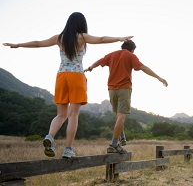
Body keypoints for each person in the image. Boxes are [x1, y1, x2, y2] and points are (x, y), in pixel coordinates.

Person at [3, 12, 133, 158]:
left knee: (61, 114)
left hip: (61, 76)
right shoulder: (82, 37)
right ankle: (68, 149)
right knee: (73, 115)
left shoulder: (59, 38)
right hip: (76, 76)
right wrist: (119, 38)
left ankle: (50, 137)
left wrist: (18, 45)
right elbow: (101, 39)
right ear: (81, 24)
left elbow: (38, 43)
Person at [84, 40, 168, 154]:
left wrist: (90, 68)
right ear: (132, 49)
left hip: (111, 89)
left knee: (118, 115)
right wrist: (159, 77)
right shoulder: (130, 55)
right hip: (124, 88)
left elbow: (98, 62)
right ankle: (114, 144)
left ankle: (122, 136)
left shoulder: (112, 54)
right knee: (121, 117)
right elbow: (143, 67)